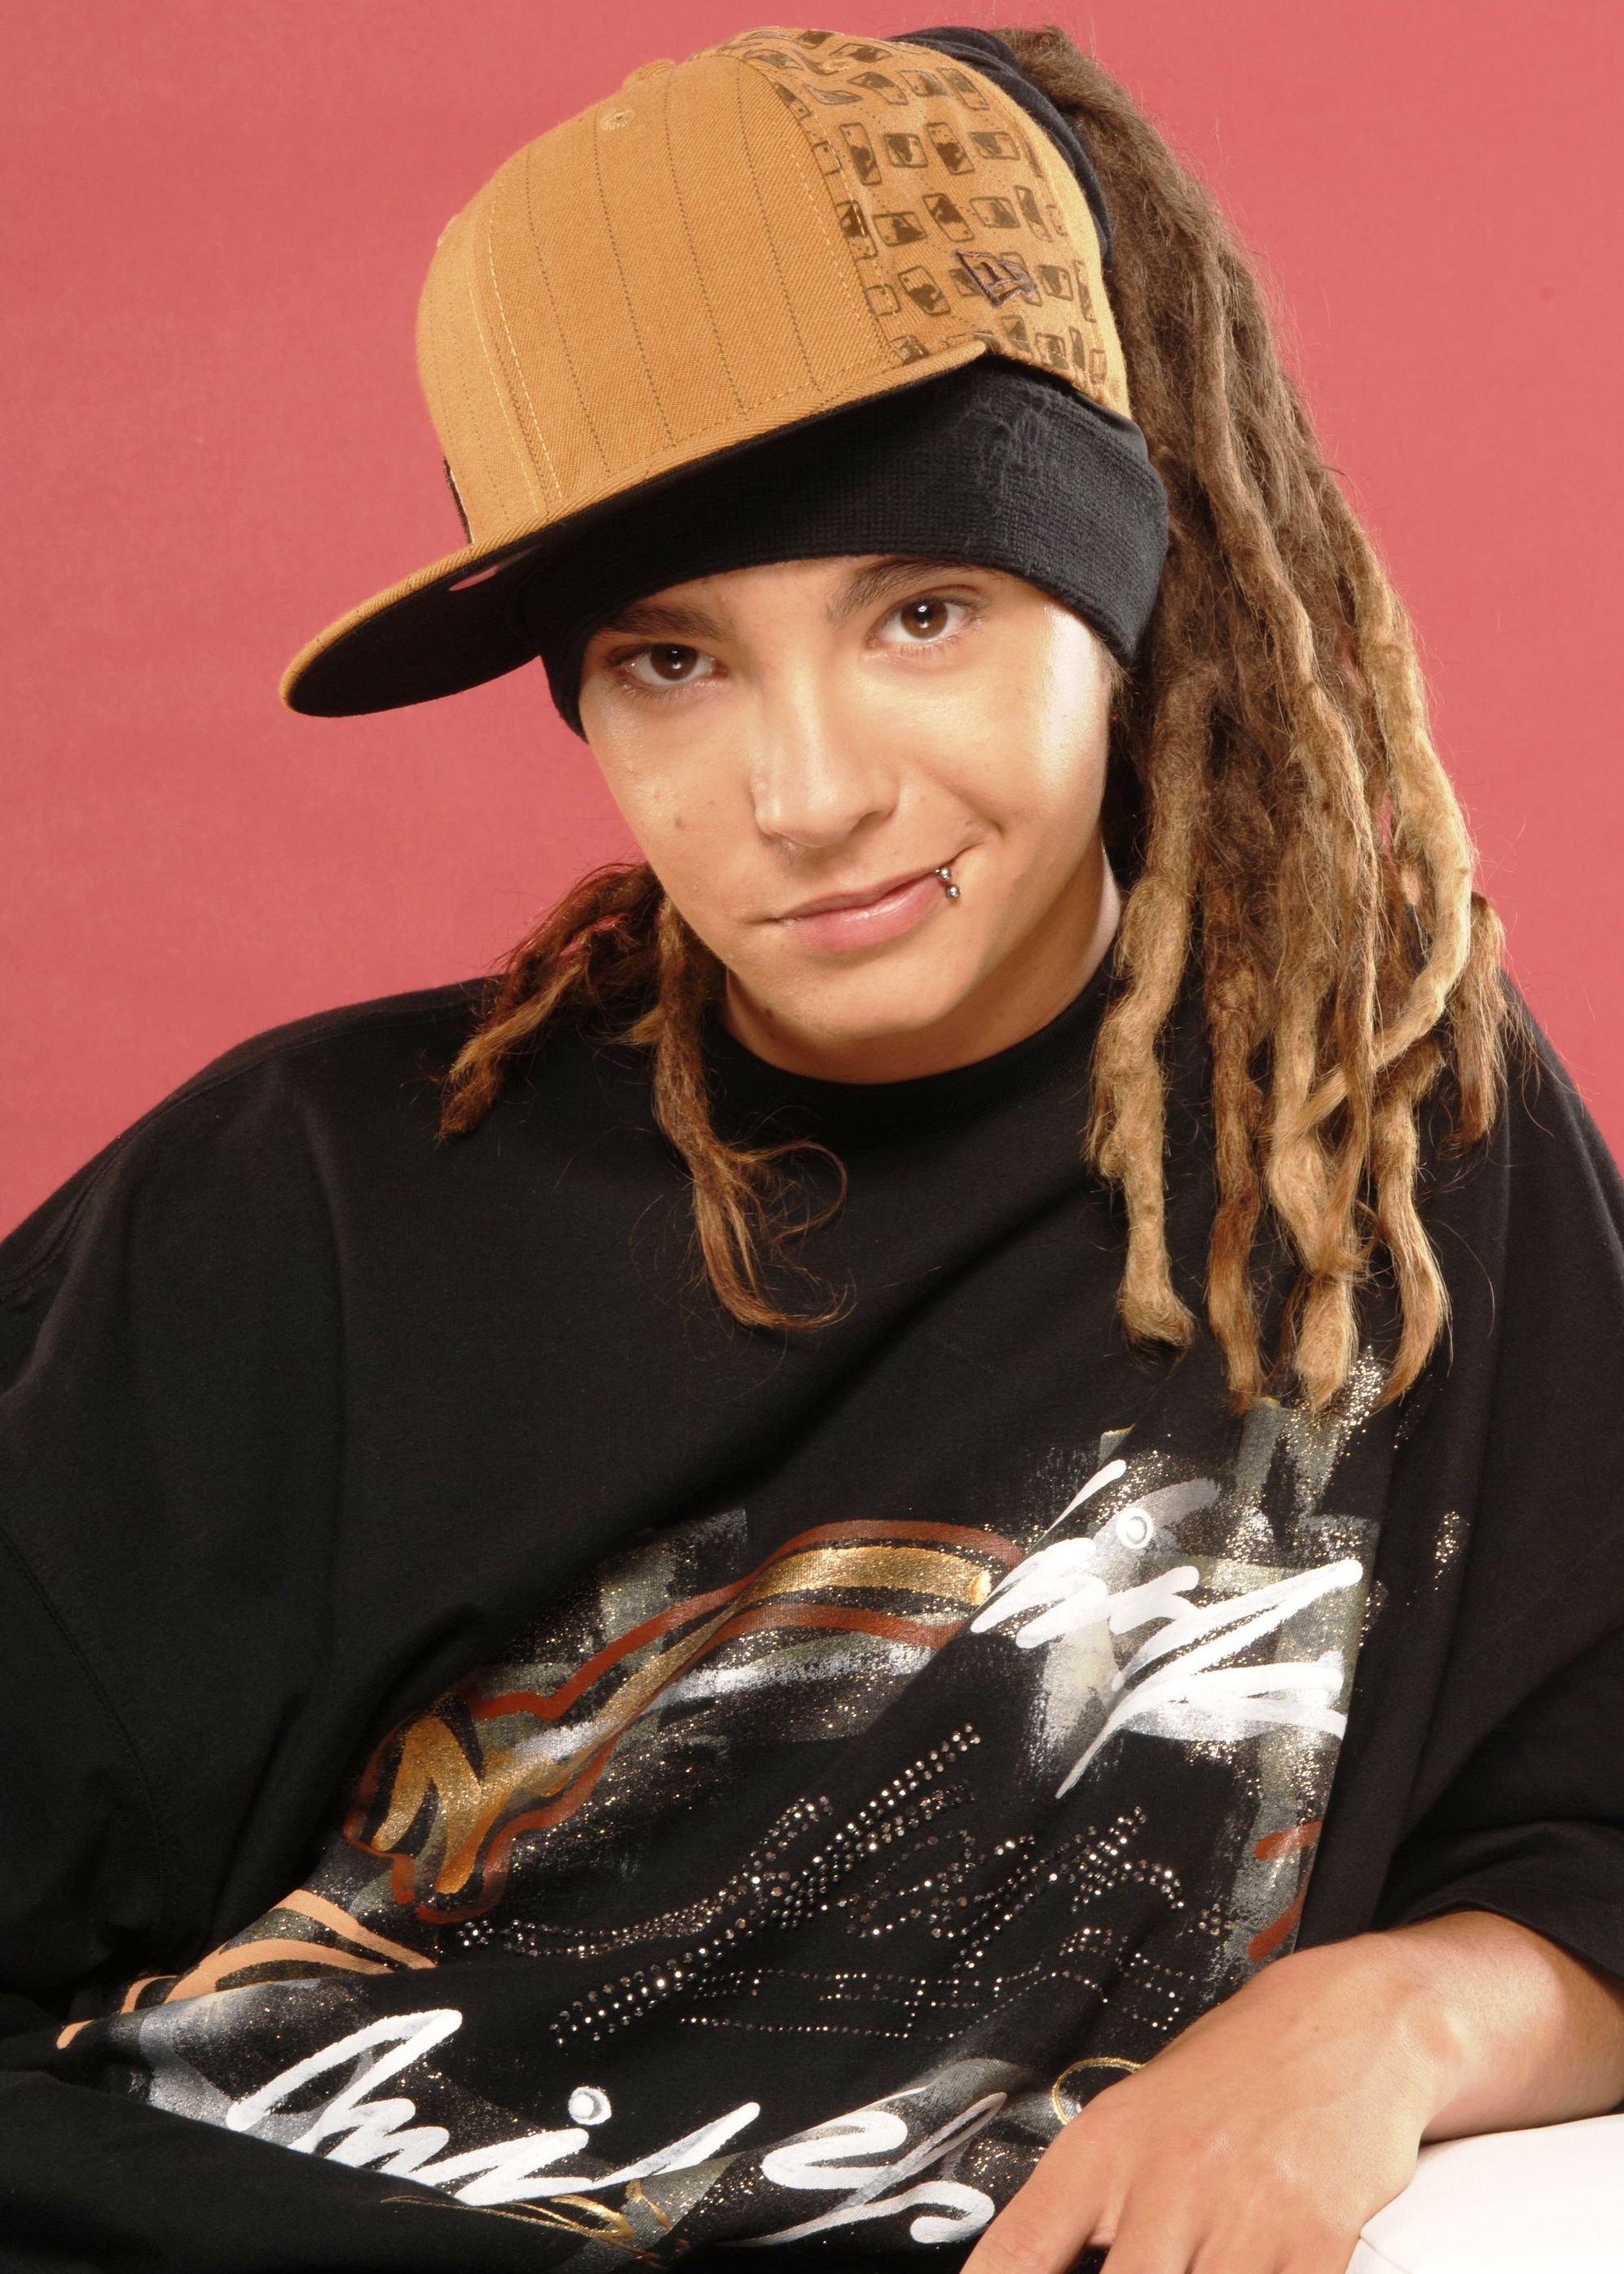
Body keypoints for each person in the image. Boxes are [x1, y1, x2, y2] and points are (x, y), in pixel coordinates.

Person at [1, 22, 1621, 2274]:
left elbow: (1591, 1816)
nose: (805, 794)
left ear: (1122, 599)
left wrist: (1379, 2018)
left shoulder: (1372, 1148)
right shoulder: (299, 1209)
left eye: (922, 614)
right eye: (670, 663)